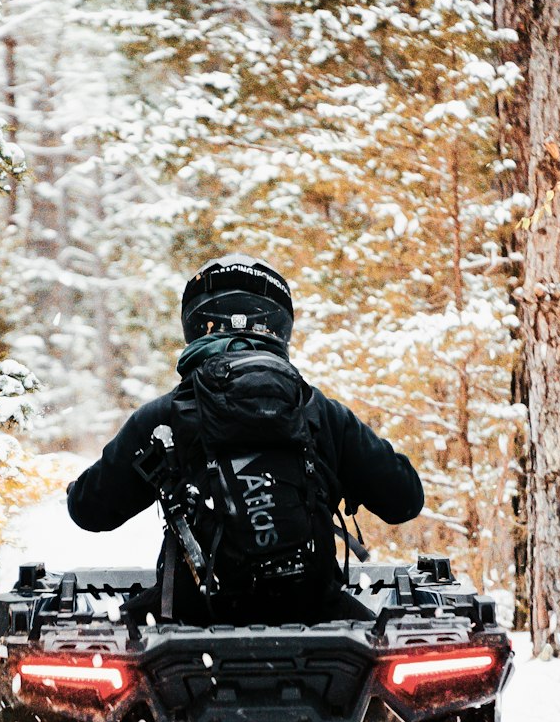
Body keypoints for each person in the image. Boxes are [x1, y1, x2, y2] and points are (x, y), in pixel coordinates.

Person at [67, 254, 424, 625]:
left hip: (191, 622)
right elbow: (405, 500)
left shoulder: (165, 415)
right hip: (317, 617)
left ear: (196, 326)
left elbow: (89, 511)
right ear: (279, 327)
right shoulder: (322, 412)